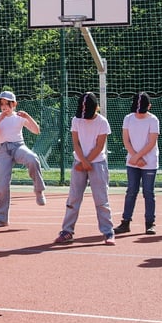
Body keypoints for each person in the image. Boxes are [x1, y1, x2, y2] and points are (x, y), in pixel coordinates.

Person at [55, 92, 115, 245]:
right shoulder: (76, 120)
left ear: (96, 108)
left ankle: (108, 232)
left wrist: (87, 162)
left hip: (98, 163)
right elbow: (76, 143)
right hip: (79, 162)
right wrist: (82, 161)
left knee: (101, 199)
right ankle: (67, 231)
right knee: (73, 198)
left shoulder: (102, 122)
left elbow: (100, 146)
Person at [0, 90, 46, 227]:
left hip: (18, 147)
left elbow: (36, 131)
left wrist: (28, 117)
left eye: (7, 104)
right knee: (0, 185)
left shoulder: (19, 117)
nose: (4, 107)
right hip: (3, 151)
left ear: (14, 104)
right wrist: (0, 119)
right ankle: (2, 218)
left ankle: (39, 190)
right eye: (2, 104)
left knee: (32, 158)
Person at [114, 92, 160, 235]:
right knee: (131, 191)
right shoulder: (128, 118)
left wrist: (138, 157)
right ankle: (125, 222)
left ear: (149, 107)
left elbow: (152, 142)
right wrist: (135, 157)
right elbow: (126, 140)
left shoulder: (153, 120)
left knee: (148, 192)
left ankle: (150, 223)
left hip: (149, 162)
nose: (139, 114)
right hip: (133, 162)